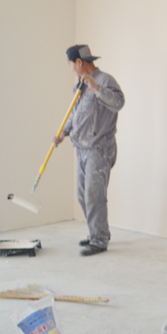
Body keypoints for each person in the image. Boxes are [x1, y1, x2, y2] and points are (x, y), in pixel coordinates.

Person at [53, 45, 125, 256]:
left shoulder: (105, 80)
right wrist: (63, 133)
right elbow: (75, 114)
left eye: (70, 64)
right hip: (81, 148)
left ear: (78, 62)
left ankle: (99, 240)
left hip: (99, 149)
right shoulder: (79, 85)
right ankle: (98, 231)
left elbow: (119, 103)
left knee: (94, 195)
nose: (71, 69)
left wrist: (97, 87)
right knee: (82, 194)